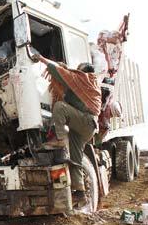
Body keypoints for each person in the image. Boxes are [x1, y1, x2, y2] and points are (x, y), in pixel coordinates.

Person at [34, 54, 102, 196]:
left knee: (60, 107)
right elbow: (69, 88)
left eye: (78, 69)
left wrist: (41, 58)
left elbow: (58, 72)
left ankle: (58, 139)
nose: (75, 71)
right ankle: (80, 191)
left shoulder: (83, 78)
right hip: (87, 127)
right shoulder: (90, 84)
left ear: (84, 71)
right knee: (75, 158)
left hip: (86, 121)